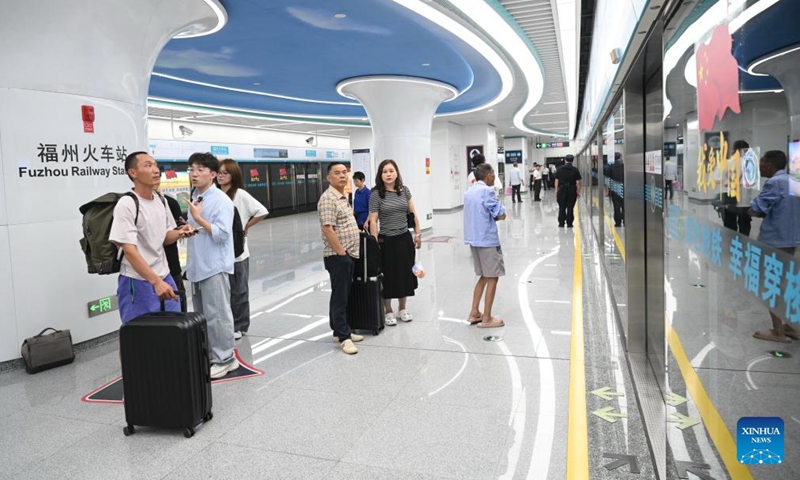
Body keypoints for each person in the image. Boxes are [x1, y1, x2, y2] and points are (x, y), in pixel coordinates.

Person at [109, 152, 194, 324]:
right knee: (138, 337)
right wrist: (155, 282)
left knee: (172, 329)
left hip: (164, 275)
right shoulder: (127, 204)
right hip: (138, 280)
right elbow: (129, 250)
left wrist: (180, 233)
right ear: (133, 173)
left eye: (155, 165)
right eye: (148, 165)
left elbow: (164, 238)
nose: (156, 170)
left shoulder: (161, 200)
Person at [185, 152, 239, 379]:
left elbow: (222, 234)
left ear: (213, 174)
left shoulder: (221, 200)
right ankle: (212, 354)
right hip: (198, 265)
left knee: (218, 315)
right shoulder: (196, 196)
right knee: (202, 315)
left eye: (200, 170)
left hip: (214, 267)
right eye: (191, 169)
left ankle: (226, 359)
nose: (194, 174)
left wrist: (199, 220)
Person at [747, 150, 800, 343]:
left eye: (761, 164)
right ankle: (794, 327)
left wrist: (752, 209)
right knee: (787, 283)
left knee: (771, 283)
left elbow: (756, 210)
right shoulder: (794, 181)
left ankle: (778, 331)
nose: (759, 168)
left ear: (769, 164)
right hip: (791, 239)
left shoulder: (773, 183)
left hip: (774, 240)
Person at [218, 159, 269, 340]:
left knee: (239, 290)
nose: (221, 175)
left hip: (238, 252)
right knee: (224, 291)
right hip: (219, 251)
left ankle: (240, 326)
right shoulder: (214, 194)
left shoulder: (239, 194)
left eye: (225, 172)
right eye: (219, 172)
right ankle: (227, 324)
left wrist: (246, 225)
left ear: (234, 175)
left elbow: (262, 211)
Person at [318, 162, 364, 355]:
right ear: (329, 178)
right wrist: (342, 254)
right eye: (337, 173)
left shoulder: (342, 196)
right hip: (338, 256)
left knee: (341, 294)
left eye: (345, 172)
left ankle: (339, 330)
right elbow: (327, 229)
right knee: (340, 297)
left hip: (347, 254)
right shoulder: (328, 198)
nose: (342, 176)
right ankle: (344, 338)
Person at [368, 159, 421, 326]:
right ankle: (388, 310)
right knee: (388, 275)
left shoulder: (404, 191)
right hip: (386, 240)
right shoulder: (376, 194)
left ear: (396, 172)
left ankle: (403, 308)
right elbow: (373, 220)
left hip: (404, 239)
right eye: (384, 171)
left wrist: (418, 234)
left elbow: (413, 214)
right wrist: (374, 241)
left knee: (404, 274)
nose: (388, 174)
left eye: (391, 171)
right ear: (380, 175)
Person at [464, 163, 506, 328]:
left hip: (474, 240)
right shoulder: (487, 191)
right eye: (494, 174)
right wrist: (500, 213)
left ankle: (474, 312)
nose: (494, 177)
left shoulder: (469, 191)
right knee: (493, 277)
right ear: (488, 175)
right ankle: (487, 318)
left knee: (483, 276)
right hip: (487, 240)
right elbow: (500, 214)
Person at [720, 140, 752, 236]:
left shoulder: (727, 163)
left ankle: (732, 242)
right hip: (745, 197)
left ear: (734, 150)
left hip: (729, 196)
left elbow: (719, 180)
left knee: (729, 222)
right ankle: (744, 241)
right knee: (745, 223)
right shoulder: (750, 164)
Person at [554, 154, 582, 228]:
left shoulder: (559, 169)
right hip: (572, 189)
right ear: (572, 161)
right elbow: (578, 182)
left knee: (562, 207)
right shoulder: (575, 169)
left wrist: (557, 190)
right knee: (570, 207)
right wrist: (578, 192)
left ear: (565, 160)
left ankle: (561, 223)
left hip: (562, 189)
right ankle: (569, 223)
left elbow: (556, 180)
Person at [610, 152, 625, 227]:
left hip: (615, 188)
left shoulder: (611, 167)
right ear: (620, 157)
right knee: (624, 205)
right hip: (623, 187)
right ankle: (625, 220)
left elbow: (609, 179)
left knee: (616, 206)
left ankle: (618, 222)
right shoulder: (624, 166)